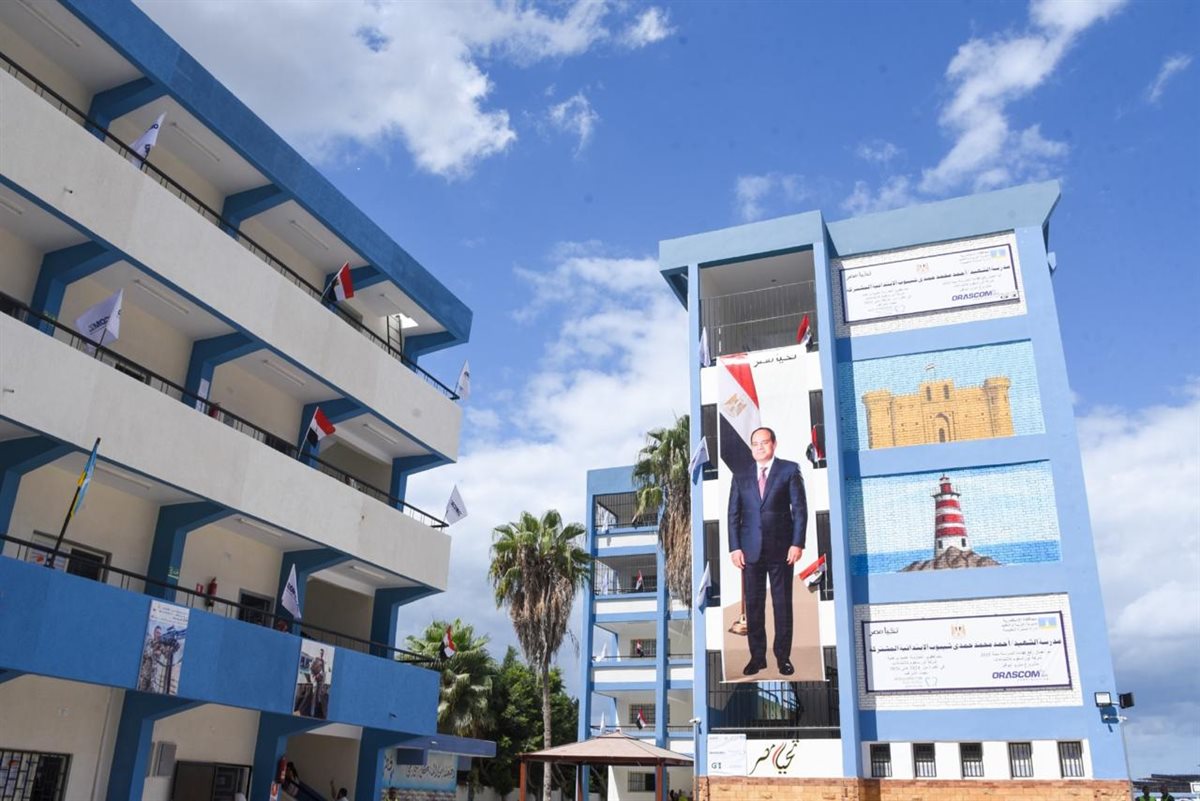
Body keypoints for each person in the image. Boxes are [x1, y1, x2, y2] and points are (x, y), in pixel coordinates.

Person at [727, 426, 806, 677]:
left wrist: (797, 543)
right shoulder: (740, 475)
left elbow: (800, 510)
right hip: (750, 551)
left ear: (774, 444)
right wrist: (735, 547)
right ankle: (757, 657)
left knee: (782, 605)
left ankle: (783, 657)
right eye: (755, 443)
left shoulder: (789, 470)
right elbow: (733, 514)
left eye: (764, 442)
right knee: (754, 606)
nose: (759, 447)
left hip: (782, 550)